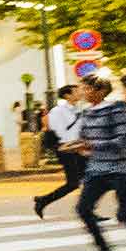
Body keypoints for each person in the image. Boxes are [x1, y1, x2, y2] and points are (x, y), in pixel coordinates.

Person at [60, 76, 126, 251]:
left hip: (122, 168)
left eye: (87, 89)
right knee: (83, 209)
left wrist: (92, 145)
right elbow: (86, 139)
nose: (83, 93)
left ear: (101, 91)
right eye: (82, 89)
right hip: (97, 169)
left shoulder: (117, 109)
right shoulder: (87, 112)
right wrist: (75, 146)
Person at [33, 86, 89, 218]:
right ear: (67, 95)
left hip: (78, 148)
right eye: (76, 91)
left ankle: (86, 209)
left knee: (89, 180)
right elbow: (59, 132)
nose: (80, 93)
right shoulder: (58, 111)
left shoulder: (79, 109)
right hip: (66, 150)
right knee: (74, 183)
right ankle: (43, 201)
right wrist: (73, 145)